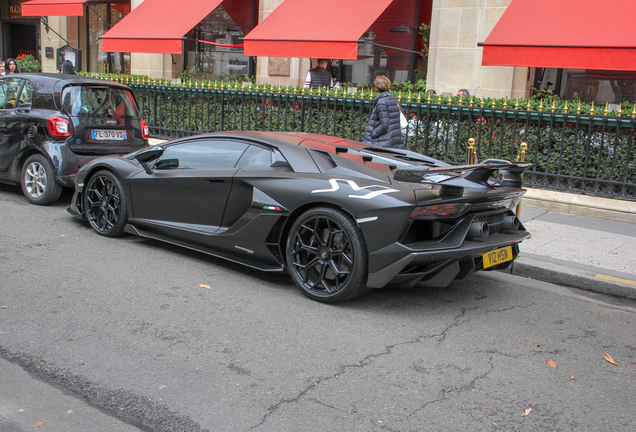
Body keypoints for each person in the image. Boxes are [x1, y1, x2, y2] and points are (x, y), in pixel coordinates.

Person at [362, 75, 404, 149]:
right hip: (394, 140)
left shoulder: (381, 102)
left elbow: (384, 125)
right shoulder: (394, 100)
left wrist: (372, 135)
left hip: (383, 142)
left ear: (377, 88)